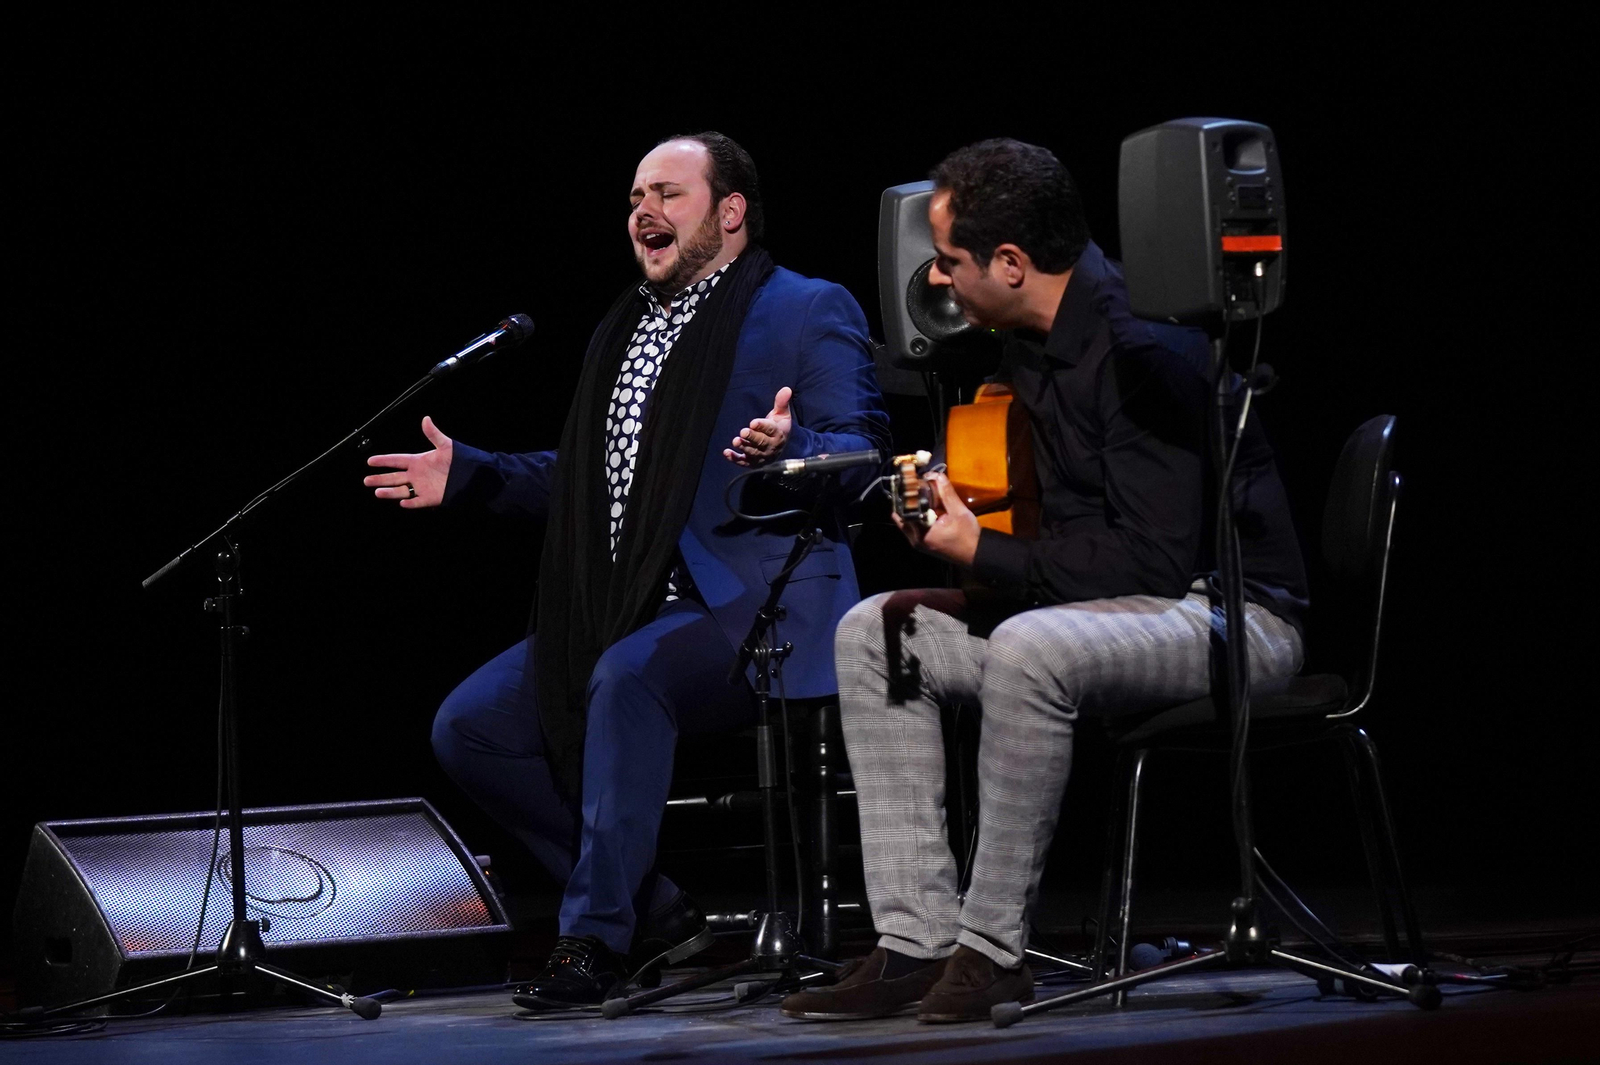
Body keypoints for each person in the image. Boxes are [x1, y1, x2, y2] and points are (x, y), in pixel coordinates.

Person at [780, 139, 1309, 1023]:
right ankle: (917, 941)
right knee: (877, 630)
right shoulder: (1024, 342)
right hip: (1105, 609)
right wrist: (957, 523)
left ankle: (993, 951)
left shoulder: (1146, 351)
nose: (940, 284)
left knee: (1029, 646)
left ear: (1012, 264)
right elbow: (1060, 533)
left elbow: (1150, 563)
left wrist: (979, 555)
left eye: (949, 263)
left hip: (1233, 616)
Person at [363, 132, 889, 1009]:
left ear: (730, 212)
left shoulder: (805, 306)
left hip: (755, 602)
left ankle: (594, 939)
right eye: (635, 196)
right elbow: (596, 481)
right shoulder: (629, 333)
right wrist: (475, 475)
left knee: (627, 676)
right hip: (631, 603)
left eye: (668, 195)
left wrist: (793, 445)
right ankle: (654, 910)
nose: (643, 211)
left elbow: (866, 453)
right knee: (472, 725)